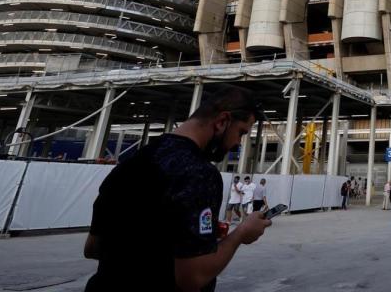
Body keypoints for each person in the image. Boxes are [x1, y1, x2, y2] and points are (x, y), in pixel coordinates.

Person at [84, 85, 271, 292]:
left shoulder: (130, 164)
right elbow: (192, 277)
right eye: (241, 133)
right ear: (222, 121)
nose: (238, 143)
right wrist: (241, 233)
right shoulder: (198, 173)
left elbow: (92, 248)